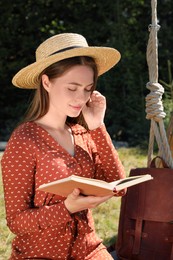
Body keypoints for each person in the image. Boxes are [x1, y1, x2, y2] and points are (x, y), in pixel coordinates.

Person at [1, 33, 126, 260]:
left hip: (89, 249)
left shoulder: (83, 133)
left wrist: (98, 126)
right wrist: (67, 207)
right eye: (72, 88)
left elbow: (118, 183)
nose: (81, 97)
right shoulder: (24, 140)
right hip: (40, 254)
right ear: (46, 82)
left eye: (88, 88)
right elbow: (16, 222)